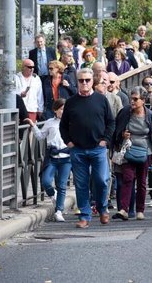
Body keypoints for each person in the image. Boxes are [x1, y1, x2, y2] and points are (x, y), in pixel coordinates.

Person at [59, 68, 115, 229]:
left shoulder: (101, 99)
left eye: (87, 80)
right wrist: (68, 142)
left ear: (92, 81)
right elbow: (63, 126)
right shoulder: (71, 102)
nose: (84, 83)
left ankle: (103, 208)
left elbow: (111, 122)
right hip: (78, 150)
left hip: (98, 148)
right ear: (77, 82)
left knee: (102, 181)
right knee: (81, 184)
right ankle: (85, 215)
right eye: (81, 80)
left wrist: (105, 140)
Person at [112, 86, 152, 221]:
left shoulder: (150, 115)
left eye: (135, 99)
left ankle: (140, 210)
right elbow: (117, 131)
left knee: (142, 182)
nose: (132, 102)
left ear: (143, 100)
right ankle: (124, 209)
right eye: (131, 99)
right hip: (128, 150)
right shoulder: (125, 113)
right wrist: (122, 134)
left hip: (145, 151)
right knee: (127, 179)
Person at [33, 98, 70, 222]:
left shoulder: (72, 122)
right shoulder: (50, 122)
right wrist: (33, 125)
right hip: (52, 156)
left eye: (65, 109)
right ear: (55, 110)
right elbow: (40, 136)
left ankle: (59, 210)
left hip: (66, 157)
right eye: (61, 109)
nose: (63, 111)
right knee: (46, 181)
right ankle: (52, 194)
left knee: (62, 185)